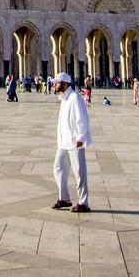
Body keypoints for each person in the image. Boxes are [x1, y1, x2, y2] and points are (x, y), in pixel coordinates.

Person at [52, 72, 92, 212]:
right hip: (63, 142)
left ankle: (83, 203)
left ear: (65, 84)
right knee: (58, 168)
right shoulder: (64, 99)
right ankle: (64, 198)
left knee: (79, 172)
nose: (54, 85)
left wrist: (81, 138)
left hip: (75, 142)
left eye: (57, 83)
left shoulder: (75, 97)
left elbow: (83, 118)